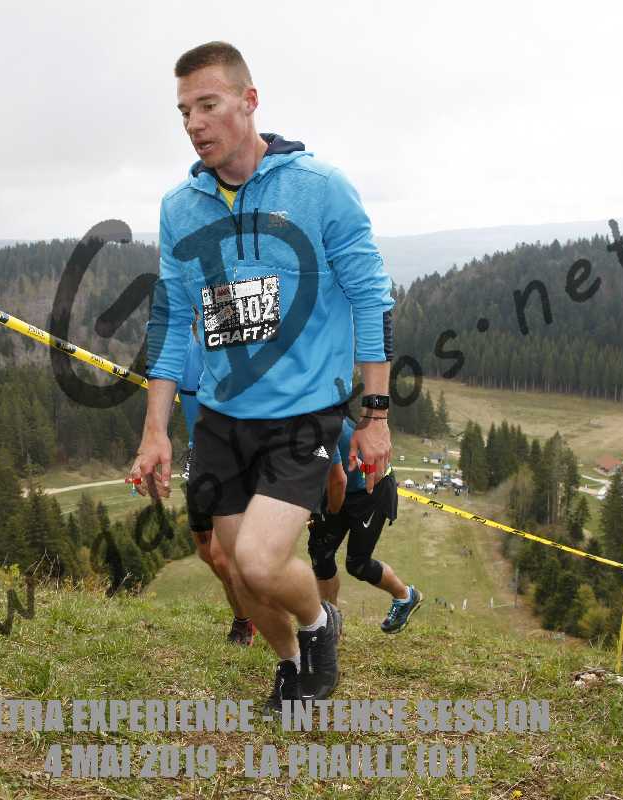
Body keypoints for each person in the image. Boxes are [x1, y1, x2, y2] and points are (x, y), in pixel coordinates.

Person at [129, 41, 395, 710]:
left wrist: (375, 415)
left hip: (303, 414)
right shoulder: (180, 206)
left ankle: (318, 621)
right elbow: (171, 321)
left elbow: (371, 298)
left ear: (250, 101)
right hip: (222, 418)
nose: (194, 124)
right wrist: (155, 431)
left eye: (208, 105)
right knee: (236, 571)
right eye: (184, 111)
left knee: (259, 559)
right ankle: (289, 663)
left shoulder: (319, 187)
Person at [178, 324, 256, 646]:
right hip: (197, 458)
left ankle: (249, 617)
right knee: (207, 553)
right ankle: (244, 616)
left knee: (221, 555)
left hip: (236, 458)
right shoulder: (184, 347)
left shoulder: (236, 346)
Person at [309, 416, 424, 633]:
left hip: (371, 488)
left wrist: (323, 512)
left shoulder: (315, 426)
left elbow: (336, 480)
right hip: (341, 483)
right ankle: (330, 625)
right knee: (320, 553)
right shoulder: (290, 425)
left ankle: (405, 596)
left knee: (357, 564)